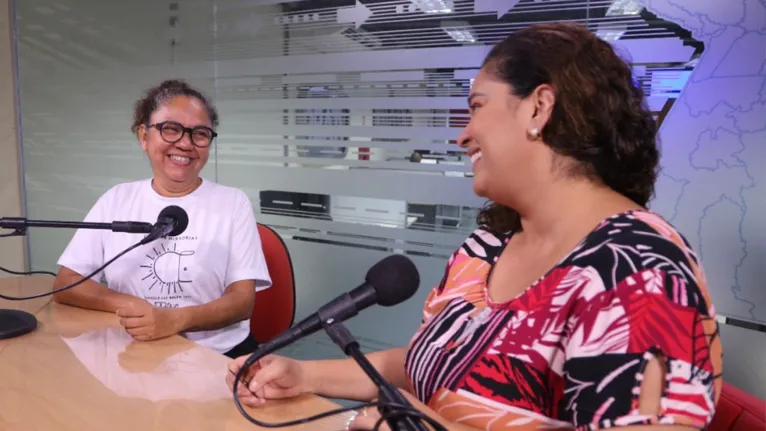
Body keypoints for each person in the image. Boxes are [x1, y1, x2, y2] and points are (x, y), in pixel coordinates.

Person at [226, 23, 722, 431]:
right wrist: (304, 374)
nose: (462, 134)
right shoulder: (485, 247)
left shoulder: (640, 272)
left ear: (538, 107)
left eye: (478, 106)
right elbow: (435, 368)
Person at [53, 79, 272, 358]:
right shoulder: (117, 199)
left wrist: (174, 319)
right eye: (171, 129)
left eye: (200, 134)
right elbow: (66, 282)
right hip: (133, 350)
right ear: (144, 136)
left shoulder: (232, 203)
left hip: (217, 355)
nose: (185, 143)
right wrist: (134, 307)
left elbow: (242, 302)